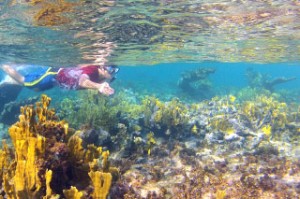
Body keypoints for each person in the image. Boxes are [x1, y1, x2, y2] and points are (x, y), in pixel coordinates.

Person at [0, 63, 119, 96]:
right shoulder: (93, 69)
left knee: (36, 89)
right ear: (103, 68)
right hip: (54, 75)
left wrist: (101, 89)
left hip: (57, 82)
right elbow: (82, 81)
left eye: (114, 70)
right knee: (27, 83)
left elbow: (87, 86)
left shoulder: (100, 79)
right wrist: (99, 87)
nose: (112, 72)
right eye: (111, 68)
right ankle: (4, 65)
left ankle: (10, 79)